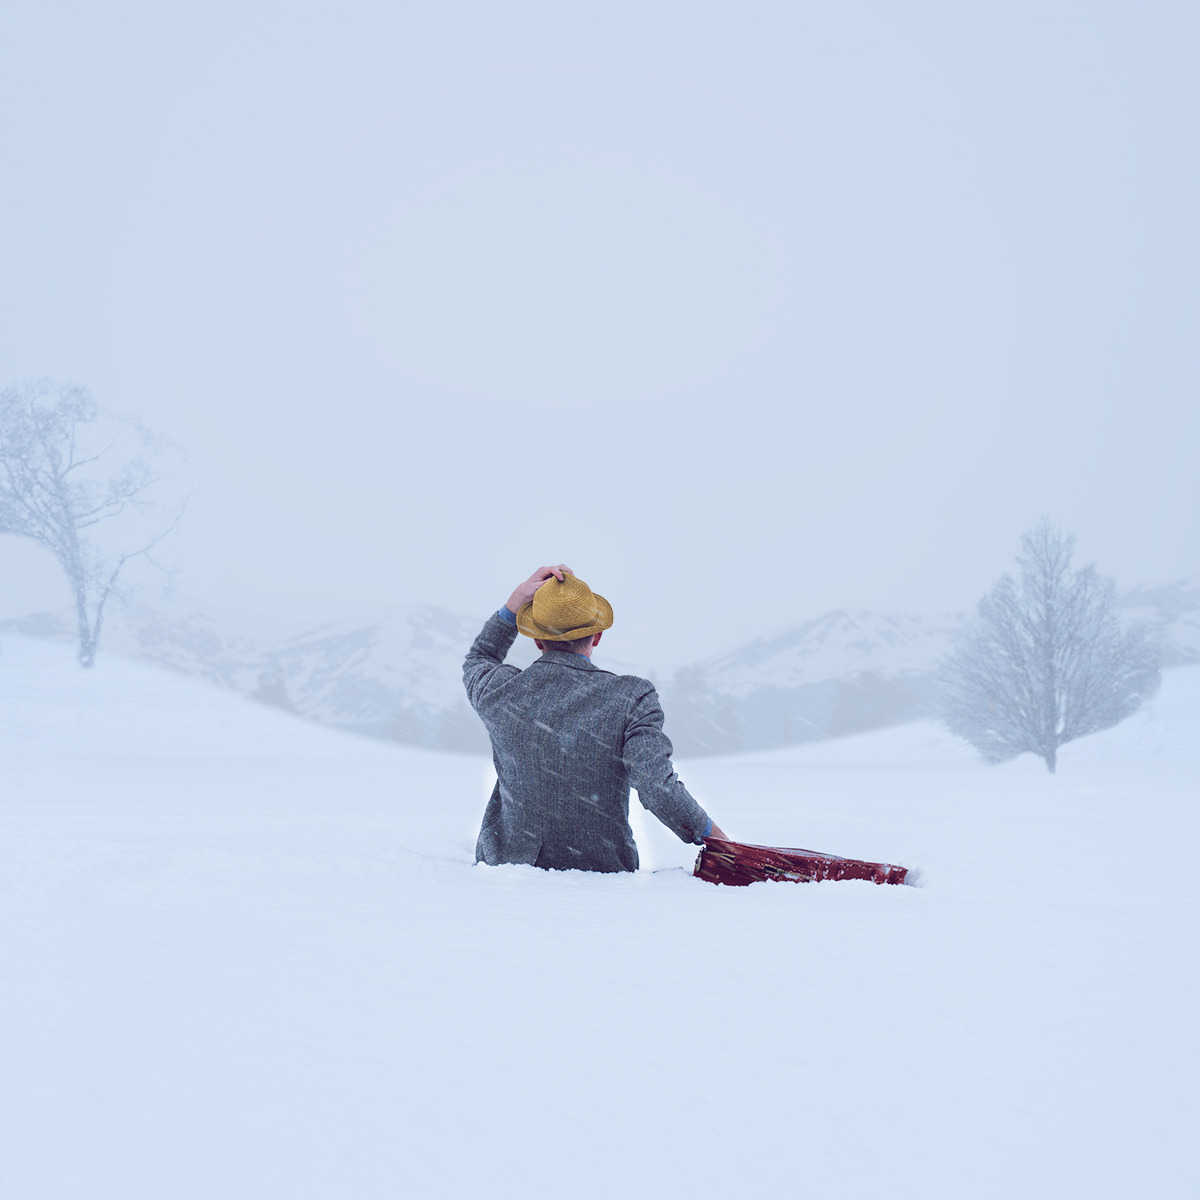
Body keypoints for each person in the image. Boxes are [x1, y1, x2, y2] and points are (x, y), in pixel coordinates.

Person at [463, 564, 728, 873]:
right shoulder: (632, 698)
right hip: (602, 882)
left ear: (537, 639)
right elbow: (656, 785)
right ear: (597, 635)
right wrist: (717, 838)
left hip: (504, 879)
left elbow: (479, 658)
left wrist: (513, 605)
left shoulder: (502, 690)